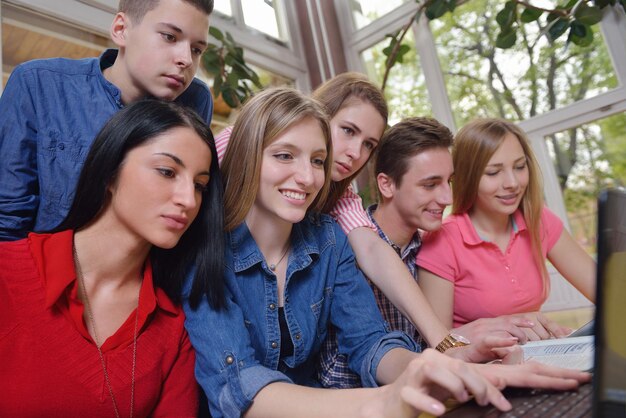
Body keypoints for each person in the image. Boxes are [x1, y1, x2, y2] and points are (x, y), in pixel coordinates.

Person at [183, 88, 590, 418]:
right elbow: (239, 387)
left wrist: (437, 365)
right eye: (284, 155)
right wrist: (384, 400)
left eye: (318, 160)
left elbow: (371, 343)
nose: (307, 177)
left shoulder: (330, 235)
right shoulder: (205, 245)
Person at [213, 72, 487, 365]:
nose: (356, 153)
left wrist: (443, 341)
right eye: (348, 131)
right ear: (319, 116)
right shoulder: (236, 142)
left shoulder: (339, 204)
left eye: (369, 144)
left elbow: (372, 250)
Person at [0, 99, 224, 417]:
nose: (188, 199)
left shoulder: (173, 330)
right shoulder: (7, 272)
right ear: (109, 171)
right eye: (167, 172)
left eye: (200, 186)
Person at [0, 0, 215, 241]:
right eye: (169, 37)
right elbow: (8, 219)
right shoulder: (38, 84)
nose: (185, 59)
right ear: (121, 29)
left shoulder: (196, 99)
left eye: (197, 49)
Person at [416, 118, 596, 339]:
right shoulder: (442, 241)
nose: (512, 182)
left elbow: (608, 291)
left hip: (536, 358)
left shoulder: (538, 219)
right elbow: (437, 343)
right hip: (481, 368)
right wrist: (497, 328)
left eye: (520, 167)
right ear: (467, 177)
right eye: (493, 172)